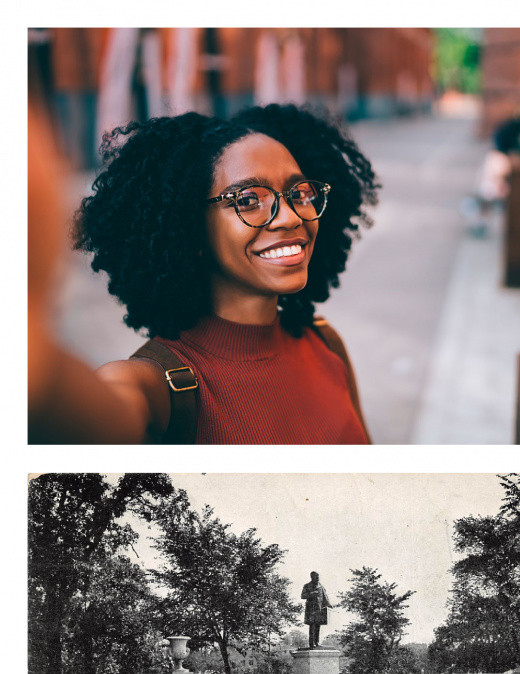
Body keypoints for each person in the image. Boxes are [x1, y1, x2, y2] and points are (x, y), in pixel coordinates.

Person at [41, 102, 378, 445]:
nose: (291, 217)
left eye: (300, 193)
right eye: (248, 200)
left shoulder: (326, 345)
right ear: (191, 227)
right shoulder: (154, 388)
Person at [301, 571, 332, 649]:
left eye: (318, 576)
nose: (318, 578)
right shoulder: (307, 586)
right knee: (312, 625)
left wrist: (328, 604)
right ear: (312, 577)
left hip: (319, 609)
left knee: (318, 625)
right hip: (311, 609)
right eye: (316, 576)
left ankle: (317, 642)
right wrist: (311, 594)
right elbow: (302, 596)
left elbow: (325, 596)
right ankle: (312, 644)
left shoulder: (321, 586)